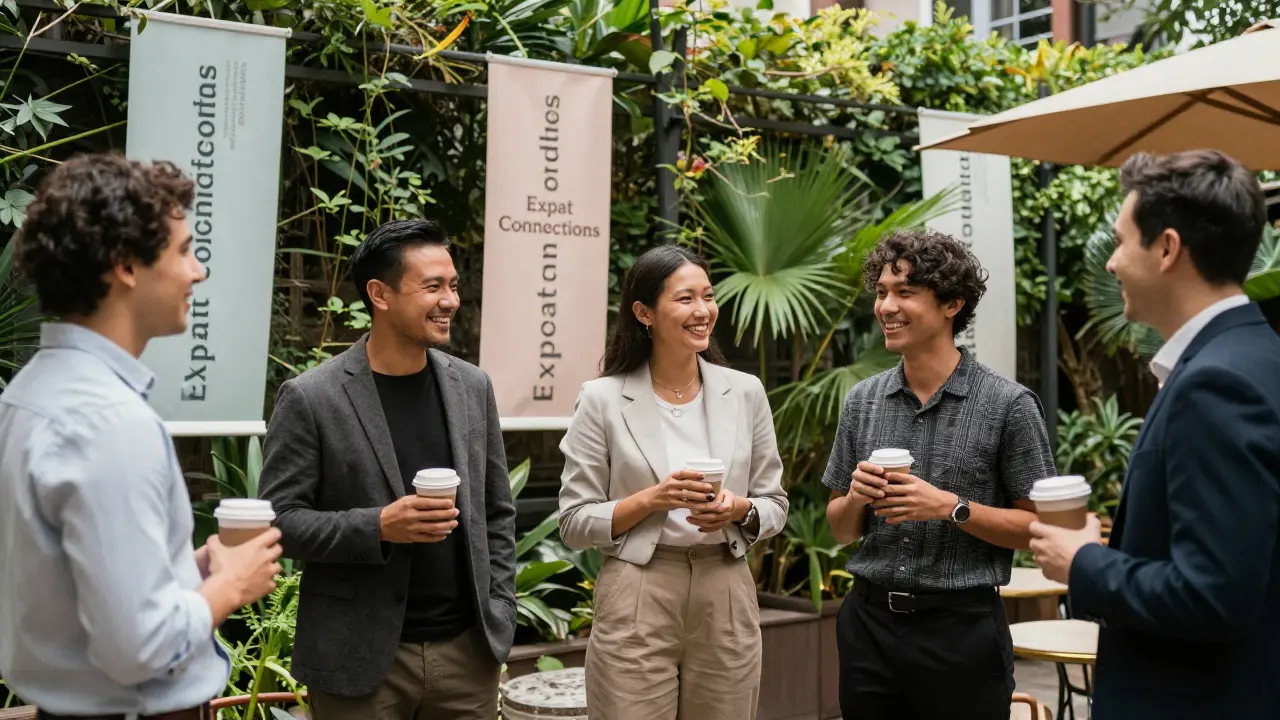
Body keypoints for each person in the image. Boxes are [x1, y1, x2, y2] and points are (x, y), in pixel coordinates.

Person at [0, 154, 283, 719]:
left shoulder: (29, 392)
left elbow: (71, 588)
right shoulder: (107, 421)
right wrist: (231, 586)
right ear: (125, 265)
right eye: (183, 250)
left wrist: (191, 568)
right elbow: (139, 647)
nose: (197, 271)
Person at [1030, 150, 1280, 719]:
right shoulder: (1258, 357)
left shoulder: (1215, 384)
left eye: (1120, 241)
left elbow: (1214, 594)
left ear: (1168, 248)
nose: (1112, 262)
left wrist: (1084, 562)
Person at [257, 219, 516, 720]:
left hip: (468, 656)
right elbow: (277, 521)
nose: (451, 300)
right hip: (360, 659)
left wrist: (500, 609)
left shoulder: (472, 386)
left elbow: (496, 510)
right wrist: (378, 526)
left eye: (454, 285)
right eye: (433, 286)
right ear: (380, 293)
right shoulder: (312, 398)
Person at [822, 229, 1057, 720]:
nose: (886, 305)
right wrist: (856, 498)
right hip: (868, 628)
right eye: (882, 292)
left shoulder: (1008, 405)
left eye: (904, 292)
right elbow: (841, 529)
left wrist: (950, 507)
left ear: (952, 303)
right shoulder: (862, 401)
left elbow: (1039, 529)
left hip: (961, 632)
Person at [558, 245, 788, 719]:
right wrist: (651, 499)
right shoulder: (601, 400)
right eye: (685, 299)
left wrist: (739, 510)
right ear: (644, 312)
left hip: (725, 586)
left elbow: (775, 504)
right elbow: (574, 522)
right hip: (638, 586)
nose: (703, 311)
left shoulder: (744, 392)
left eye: (707, 296)